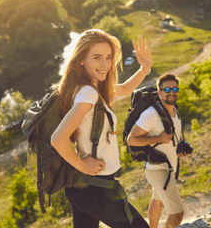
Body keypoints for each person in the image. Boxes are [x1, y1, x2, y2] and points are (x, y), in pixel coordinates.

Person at [51, 29, 152, 228]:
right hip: (94, 185)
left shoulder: (85, 86)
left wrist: (145, 68)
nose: (105, 64)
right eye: (97, 57)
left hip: (82, 185)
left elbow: (124, 89)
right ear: (81, 59)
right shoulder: (88, 93)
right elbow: (57, 139)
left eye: (108, 57)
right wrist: (82, 165)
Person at [127, 73, 188, 228]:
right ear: (159, 92)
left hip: (168, 167)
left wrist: (181, 148)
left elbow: (172, 139)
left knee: (157, 201)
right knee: (177, 214)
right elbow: (131, 139)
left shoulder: (175, 111)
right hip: (157, 168)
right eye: (167, 89)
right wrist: (158, 139)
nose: (171, 92)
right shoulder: (151, 114)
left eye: (175, 88)